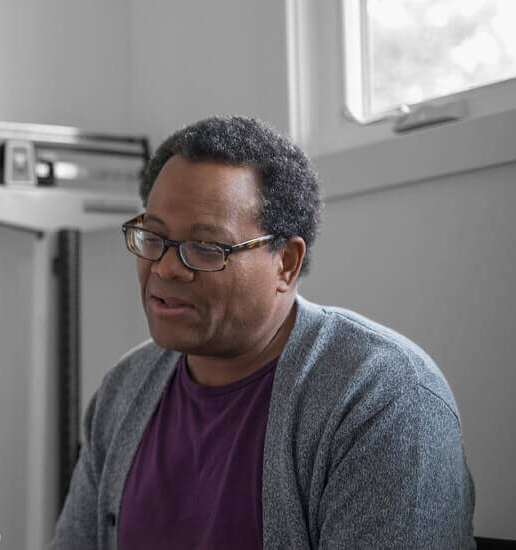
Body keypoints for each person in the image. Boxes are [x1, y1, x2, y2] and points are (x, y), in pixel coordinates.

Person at [54, 116, 474, 549]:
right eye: (154, 237)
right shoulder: (125, 388)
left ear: (286, 264)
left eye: (205, 247)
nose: (165, 267)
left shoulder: (383, 398)